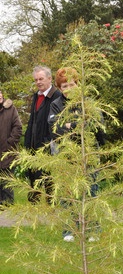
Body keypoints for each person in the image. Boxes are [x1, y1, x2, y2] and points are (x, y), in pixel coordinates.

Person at [48, 67, 105, 241]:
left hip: (88, 154)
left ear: (78, 84)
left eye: (71, 84)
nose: (68, 89)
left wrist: (68, 126)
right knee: (68, 194)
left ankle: (93, 230)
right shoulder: (56, 105)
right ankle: (69, 230)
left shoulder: (88, 103)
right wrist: (75, 126)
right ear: (59, 88)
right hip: (66, 155)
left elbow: (95, 126)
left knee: (91, 191)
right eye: (64, 86)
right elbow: (54, 129)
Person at [24, 65, 62, 202]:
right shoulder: (37, 96)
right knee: (34, 178)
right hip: (34, 145)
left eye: (41, 79)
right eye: (36, 80)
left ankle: (52, 210)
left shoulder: (57, 96)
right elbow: (32, 120)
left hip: (48, 146)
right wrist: (27, 141)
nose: (38, 82)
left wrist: (48, 142)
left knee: (49, 179)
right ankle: (35, 209)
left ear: (49, 78)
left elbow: (55, 123)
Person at [0, 88, 22, 206]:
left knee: (7, 181)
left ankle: (8, 210)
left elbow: (18, 127)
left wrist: (10, 142)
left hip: (7, 152)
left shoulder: (10, 109)